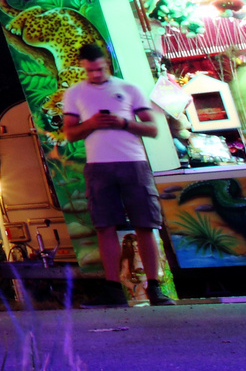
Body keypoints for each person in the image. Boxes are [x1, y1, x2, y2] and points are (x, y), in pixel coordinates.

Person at [61, 43, 175, 307]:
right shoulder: (75, 93)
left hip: (133, 162)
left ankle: (154, 287)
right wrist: (90, 124)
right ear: (82, 67)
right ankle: (113, 289)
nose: (96, 75)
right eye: (90, 71)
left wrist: (123, 122)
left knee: (145, 225)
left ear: (107, 64)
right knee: (104, 226)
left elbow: (152, 128)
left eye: (99, 69)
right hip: (98, 166)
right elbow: (70, 133)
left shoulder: (129, 88)